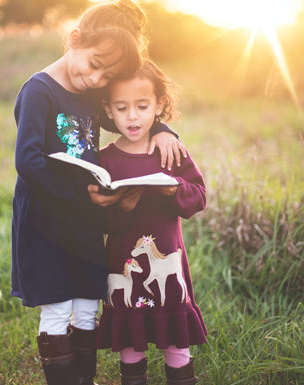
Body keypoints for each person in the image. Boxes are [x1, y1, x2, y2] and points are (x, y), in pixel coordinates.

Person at [10, 1, 188, 384]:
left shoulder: (92, 92)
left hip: (84, 220)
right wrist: (81, 193)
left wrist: (162, 130)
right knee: (58, 307)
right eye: (94, 65)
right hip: (46, 219)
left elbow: (129, 118)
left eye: (108, 75)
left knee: (89, 305)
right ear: (75, 39)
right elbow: (27, 162)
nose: (97, 79)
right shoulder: (39, 91)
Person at [96, 59, 208, 385]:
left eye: (142, 106)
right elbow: (100, 219)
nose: (132, 116)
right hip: (123, 264)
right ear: (108, 109)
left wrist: (175, 189)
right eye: (122, 107)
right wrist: (122, 206)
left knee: (176, 342)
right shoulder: (105, 159)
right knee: (131, 342)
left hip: (168, 263)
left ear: (159, 104)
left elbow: (198, 196)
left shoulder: (170, 150)